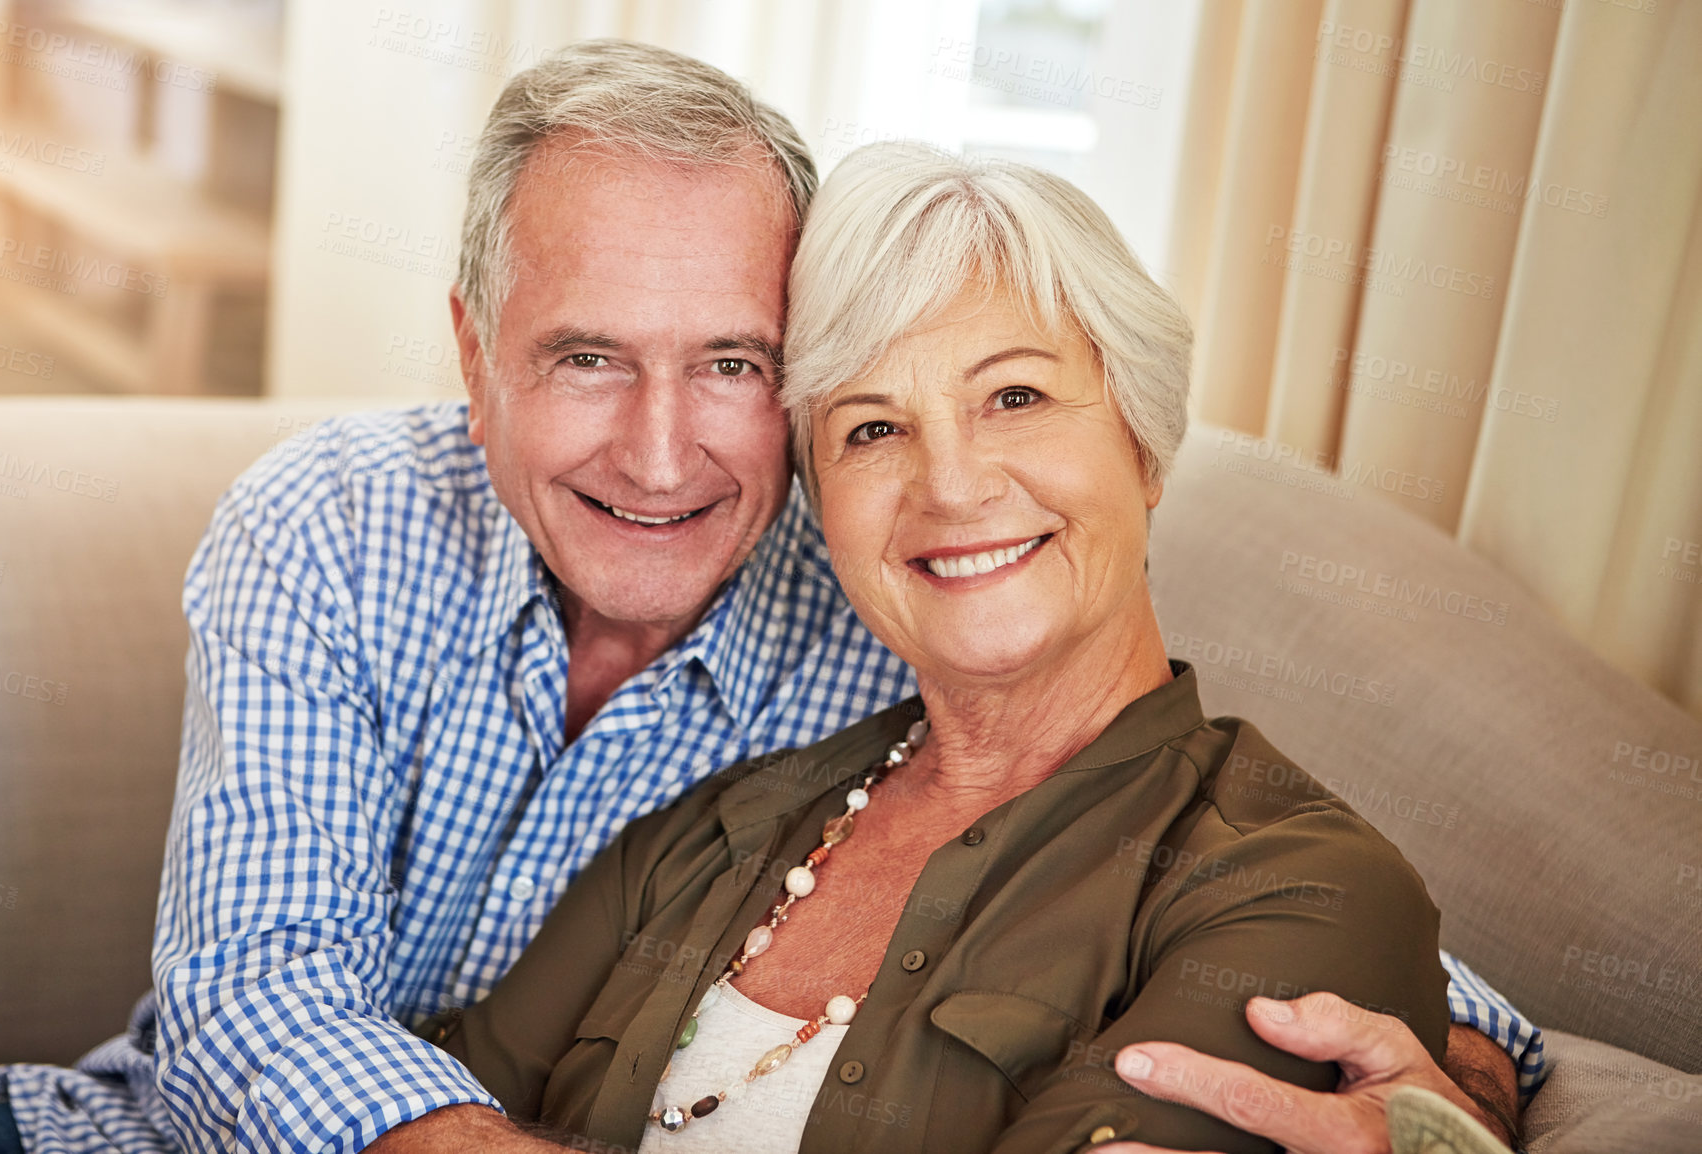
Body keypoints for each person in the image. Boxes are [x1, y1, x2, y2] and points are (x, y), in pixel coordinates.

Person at [0, 42, 1537, 1154]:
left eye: (731, 364)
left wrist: (1443, 1089)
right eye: (588, 356)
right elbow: (252, 1003)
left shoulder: (887, 586)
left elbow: (1251, 878)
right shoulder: (334, 532)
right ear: (472, 351)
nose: (661, 453)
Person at [405, 140, 1507, 1153]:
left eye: (1015, 395)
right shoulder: (700, 834)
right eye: (871, 428)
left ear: (1144, 443)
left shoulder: (1296, 884)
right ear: (820, 503)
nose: (951, 484)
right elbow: (439, 1113)